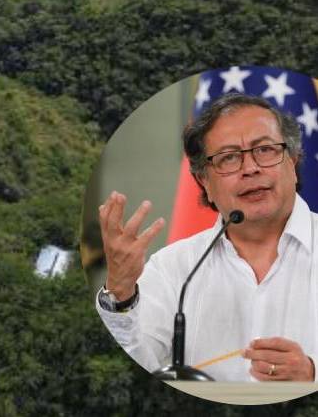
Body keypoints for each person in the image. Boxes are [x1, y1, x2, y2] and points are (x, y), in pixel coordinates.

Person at [96, 93, 317, 382]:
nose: (250, 168)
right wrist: (121, 292)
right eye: (228, 158)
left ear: (292, 160)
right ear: (204, 182)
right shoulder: (173, 268)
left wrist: (311, 375)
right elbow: (135, 369)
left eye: (264, 150)